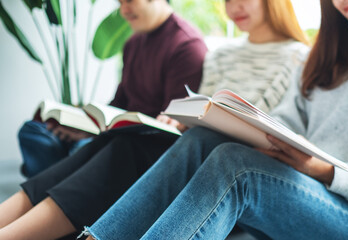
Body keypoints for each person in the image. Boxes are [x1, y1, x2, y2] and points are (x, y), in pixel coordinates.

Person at [83, 0, 348, 239]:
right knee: (202, 140)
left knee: (235, 167)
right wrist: (246, 128)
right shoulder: (330, 52)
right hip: (303, 192)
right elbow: (287, 120)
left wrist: (329, 171)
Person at [0, 0, 310, 239]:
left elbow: (273, 122)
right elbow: (198, 106)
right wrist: (181, 119)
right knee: (93, 139)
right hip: (185, 145)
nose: (234, 7)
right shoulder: (221, 54)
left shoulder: (296, 57)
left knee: (127, 145)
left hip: (219, 159)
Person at [17, 0, 207, 178]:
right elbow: (118, 104)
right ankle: (55, 191)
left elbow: (171, 127)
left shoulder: (187, 47)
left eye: (130, 1)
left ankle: (50, 192)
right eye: (120, 2)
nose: (123, 11)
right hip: (115, 136)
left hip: (137, 145)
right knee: (33, 132)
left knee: (81, 151)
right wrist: (83, 127)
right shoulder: (133, 43)